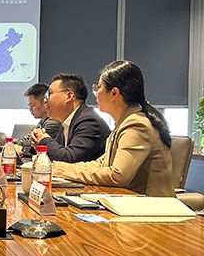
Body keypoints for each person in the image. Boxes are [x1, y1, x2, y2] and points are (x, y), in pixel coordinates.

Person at [52, 60, 174, 197]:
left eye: (98, 87)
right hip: (130, 200)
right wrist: (66, 168)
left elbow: (118, 175)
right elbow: (101, 164)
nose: (96, 93)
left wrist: (67, 171)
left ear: (114, 93)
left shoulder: (136, 125)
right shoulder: (124, 122)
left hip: (150, 206)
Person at [31, 73, 110, 163]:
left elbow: (70, 159)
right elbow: (57, 152)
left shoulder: (88, 121)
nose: (45, 100)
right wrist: (38, 142)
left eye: (50, 94)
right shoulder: (69, 121)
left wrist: (43, 139)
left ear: (69, 96)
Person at [13, 83, 62, 156]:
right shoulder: (43, 121)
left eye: (32, 105)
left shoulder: (54, 121)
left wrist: (12, 144)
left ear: (45, 103)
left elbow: (34, 141)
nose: (30, 109)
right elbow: (28, 138)